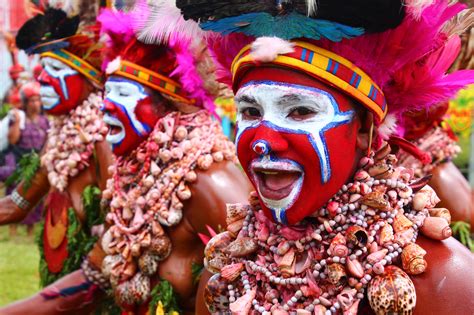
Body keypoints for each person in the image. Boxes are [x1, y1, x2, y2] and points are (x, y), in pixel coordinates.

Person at [176, 0, 474, 313]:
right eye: (251, 112)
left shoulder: (443, 284)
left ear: (364, 129)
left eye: (301, 111)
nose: (262, 142)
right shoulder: (226, 274)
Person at [0, 2, 250, 314]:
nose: (106, 107)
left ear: (167, 105)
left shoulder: (211, 184)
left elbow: (255, 284)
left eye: (123, 95)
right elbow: (96, 277)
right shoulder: (133, 176)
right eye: (108, 95)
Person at [0, 1, 114, 298]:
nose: (40, 79)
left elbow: (119, 228)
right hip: (60, 273)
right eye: (41, 69)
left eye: (53, 69)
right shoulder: (59, 138)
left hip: (98, 286)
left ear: (88, 79)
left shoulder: (104, 139)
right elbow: (16, 204)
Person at [0, 81, 49, 236]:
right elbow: (13, 140)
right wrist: (18, 122)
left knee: (36, 193)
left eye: (38, 100)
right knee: (15, 190)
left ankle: (30, 231)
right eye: (32, 100)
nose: (35, 104)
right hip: (19, 160)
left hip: (37, 160)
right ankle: (12, 230)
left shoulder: (45, 121)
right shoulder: (18, 119)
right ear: (25, 103)